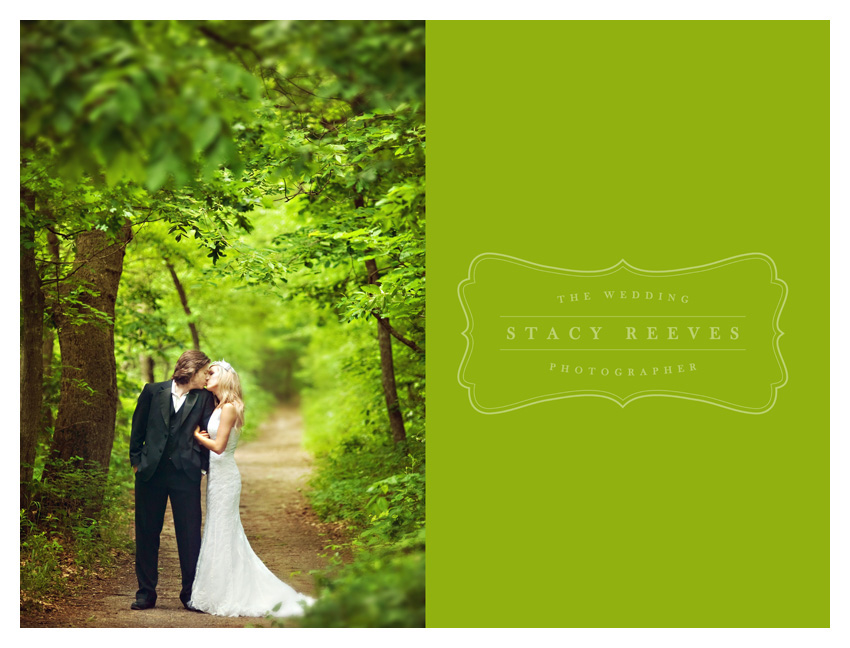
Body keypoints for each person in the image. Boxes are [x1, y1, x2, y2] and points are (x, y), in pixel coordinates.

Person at [189, 360, 315, 617]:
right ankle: (217, 590)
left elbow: (219, 446)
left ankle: (228, 593)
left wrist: (198, 437)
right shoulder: (221, 406)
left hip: (225, 477)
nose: (206, 377)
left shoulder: (229, 409)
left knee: (223, 531)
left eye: (211, 373)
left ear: (224, 378)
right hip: (218, 477)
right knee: (218, 530)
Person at [129, 350, 215, 611]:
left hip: (185, 475)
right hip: (150, 474)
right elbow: (138, 429)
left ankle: (190, 594)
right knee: (146, 533)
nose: (207, 376)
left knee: (189, 535)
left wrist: (201, 466)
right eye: (205, 372)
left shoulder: (204, 398)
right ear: (192, 370)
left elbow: (210, 433)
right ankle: (145, 593)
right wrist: (137, 464)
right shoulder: (153, 391)